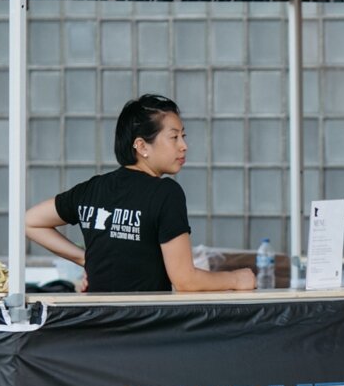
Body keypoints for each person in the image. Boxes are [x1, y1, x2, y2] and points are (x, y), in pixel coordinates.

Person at [23, 94, 256, 294]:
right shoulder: (166, 193)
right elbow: (185, 281)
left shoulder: (92, 189)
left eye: (183, 136)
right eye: (174, 137)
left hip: (94, 331)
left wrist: (87, 260)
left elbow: (30, 222)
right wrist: (237, 279)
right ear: (142, 146)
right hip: (143, 334)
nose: (183, 145)